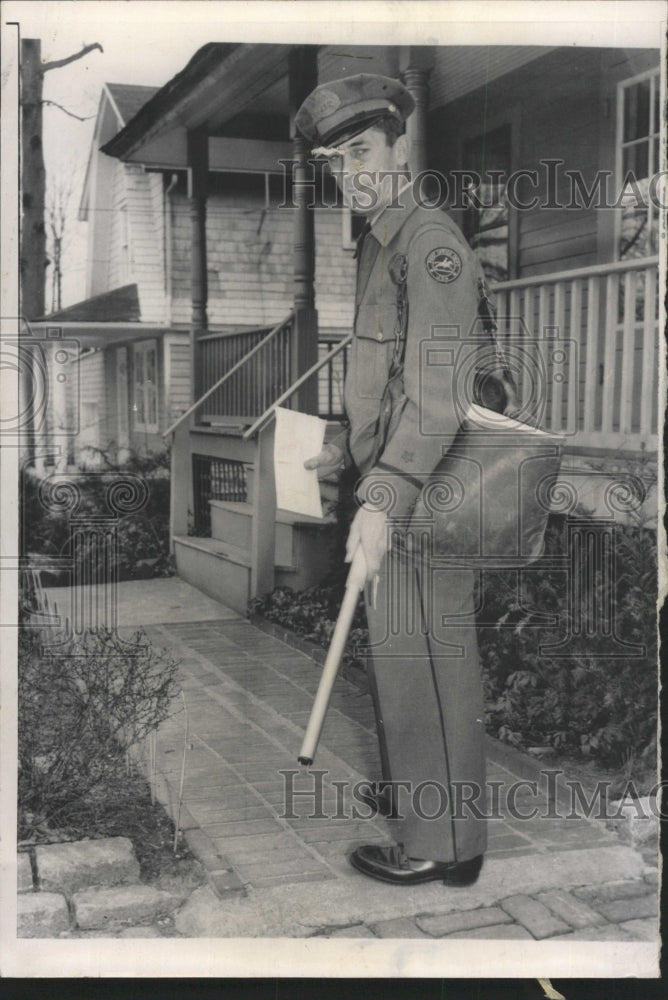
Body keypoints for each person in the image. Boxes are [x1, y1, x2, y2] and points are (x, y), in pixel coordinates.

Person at [298, 74, 486, 886]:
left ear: (400, 148)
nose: (354, 171)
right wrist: (343, 453)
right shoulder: (380, 242)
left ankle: (439, 845)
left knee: (423, 658)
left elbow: (441, 386)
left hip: (428, 487)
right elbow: (382, 376)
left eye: (364, 151)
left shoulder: (427, 240)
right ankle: (436, 815)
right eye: (339, 160)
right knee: (414, 656)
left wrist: (384, 493)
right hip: (399, 479)